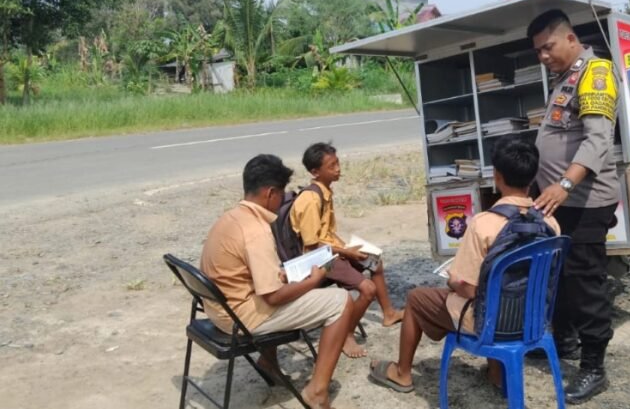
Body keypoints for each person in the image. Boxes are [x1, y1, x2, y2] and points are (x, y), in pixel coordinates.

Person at [367, 135, 559, 393]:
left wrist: (452, 280)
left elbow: (467, 288)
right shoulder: (551, 224)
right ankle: (497, 373)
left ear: (497, 176)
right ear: (533, 177)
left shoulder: (483, 223)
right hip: (533, 320)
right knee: (502, 289)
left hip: (489, 322)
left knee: (416, 298)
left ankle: (402, 373)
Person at [200, 154, 353, 409]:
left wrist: (283, 275)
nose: (284, 199)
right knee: (342, 301)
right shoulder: (256, 232)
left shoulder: (231, 217)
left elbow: (248, 274)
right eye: (282, 193)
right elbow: (272, 297)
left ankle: (268, 362)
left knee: (284, 277)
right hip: (241, 317)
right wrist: (313, 281)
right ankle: (316, 392)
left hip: (218, 308)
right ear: (271, 193)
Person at [528, 9, 620, 404]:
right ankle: (564, 341)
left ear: (570, 38)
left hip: (583, 201)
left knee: (585, 282)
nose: (542, 56)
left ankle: (594, 367)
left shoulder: (595, 72)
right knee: (559, 274)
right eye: (537, 51)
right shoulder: (566, 77)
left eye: (547, 47)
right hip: (560, 200)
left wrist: (565, 183)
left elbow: (598, 140)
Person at [291, 142, 404, 359]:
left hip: (331, 252)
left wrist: (347, 247)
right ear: (315, 172)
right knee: (367, 289)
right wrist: (346, 253)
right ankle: (345, 333)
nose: (338, 169)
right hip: (317, 259)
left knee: (375, 261)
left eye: (338, 163)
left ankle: (388, 313)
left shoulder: (324, 193)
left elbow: (328, 233)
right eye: (332, 165)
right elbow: (312, 245)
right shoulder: (310, 199)